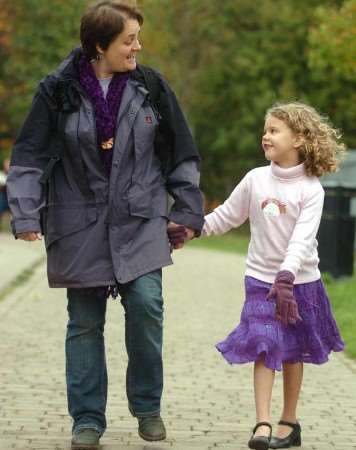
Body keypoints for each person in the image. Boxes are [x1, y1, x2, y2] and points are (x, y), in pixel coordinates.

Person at [6, 2, 204, 448]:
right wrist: (24, 213)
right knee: (84, 322)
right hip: (79, 223)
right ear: (99, 45)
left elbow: (182, 154)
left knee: (148, 307)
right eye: (128, 39)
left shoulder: (150, 86)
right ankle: (87, 418)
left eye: (137, 37)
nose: (138, 46)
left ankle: (148, 406)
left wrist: (187, 211)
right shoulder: (57, 92)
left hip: (140, 218)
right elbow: (29, 158)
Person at [169, 101, 345, 450]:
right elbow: (227, 216)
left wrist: (287, 277)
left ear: (299, 139)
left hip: (299, 283)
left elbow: (301, 240)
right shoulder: (255, 179)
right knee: (265, 346)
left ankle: (288, 421)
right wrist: (193, 230)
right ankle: (262, 422)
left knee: (293, 351)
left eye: (274, 130)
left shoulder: (311, 189)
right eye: (265, 130)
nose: (265, 136)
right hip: (260, 281)